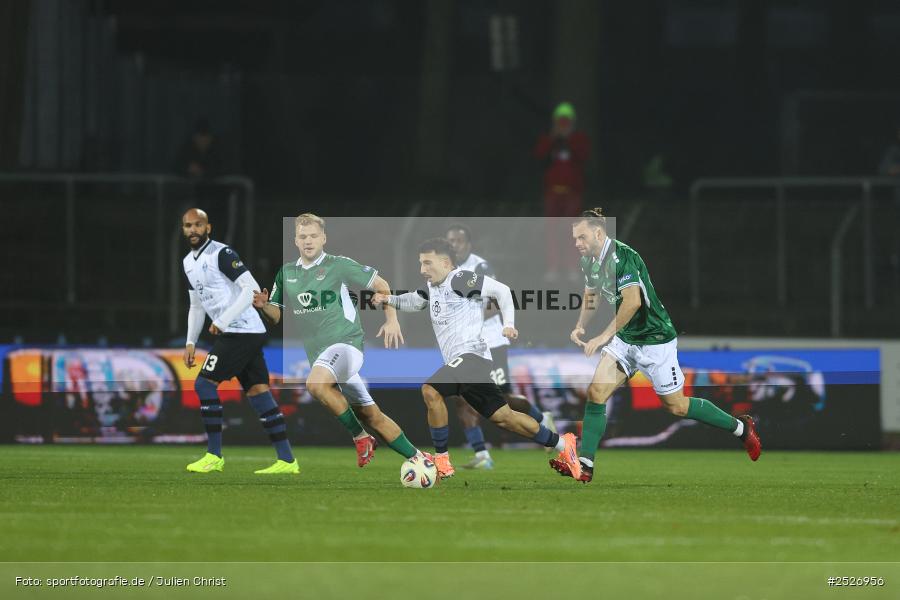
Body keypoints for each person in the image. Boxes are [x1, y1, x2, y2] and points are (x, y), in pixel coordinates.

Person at [549, 208, 762, 483]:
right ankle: (585, 464)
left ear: (598, 233)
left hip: (654, 340)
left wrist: (602, 336)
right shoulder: (589, 262)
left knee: (676, 406)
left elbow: (633, 301)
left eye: (581, 237)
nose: (576, 243)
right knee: (596, 392)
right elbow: (592, 293)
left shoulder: (622, 257)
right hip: (626, 340)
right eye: (574, 238)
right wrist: (580, 325)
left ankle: (741, 429)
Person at [372, 238, 580, 480]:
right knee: (505, 418)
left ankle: (441, 460)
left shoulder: (459, 279)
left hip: (471, 356)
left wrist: (509, 325)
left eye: (427, 263)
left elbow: (501, 291)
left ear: (445, 262)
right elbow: (416, 301)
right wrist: (390, 300)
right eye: (421, 264)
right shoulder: (434, 287)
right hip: (469, 364)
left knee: (430, 390)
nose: (422, 270)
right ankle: (563, 446)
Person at [254, 213, 429, 468]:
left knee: (315, 384)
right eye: (303, 236)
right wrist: (263, 306)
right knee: (371, 414)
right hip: (322, 355)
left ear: (324, 238)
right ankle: (420, 458)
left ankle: (360, 438)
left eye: (314, 236)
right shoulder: (287, 273)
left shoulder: (339, 265)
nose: (308, 241)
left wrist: (391, 319)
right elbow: (276, 316)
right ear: (295, 241)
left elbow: (381, 285)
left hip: (346, 344)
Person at [181, 208, 298, 474]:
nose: (192, 230)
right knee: (258, 392)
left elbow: (251, 288)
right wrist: (190, 342)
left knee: (203, 384)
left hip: (241, 330)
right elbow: (196, 305)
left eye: (198, 225)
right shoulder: (188, 262)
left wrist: (223, 320)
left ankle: (214, 455)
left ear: (208, 227)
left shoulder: (222, 254)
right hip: (242, 331)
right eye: (188, 226)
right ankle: (288, 461)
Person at [445, 223, 556, 470]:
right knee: (461, 397)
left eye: (458, 240)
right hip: (465, 346)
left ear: (468, 244)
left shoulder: (480, 267)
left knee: (501, 400)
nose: (453, 244)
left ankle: (541, 418)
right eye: (450, 240)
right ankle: (482, 455)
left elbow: (496, 300)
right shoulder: (447, 270)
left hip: (491, 342)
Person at [534, 102, 590, 280]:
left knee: (572, 231)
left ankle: (572, 268)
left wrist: (569, 139)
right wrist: (553, 139)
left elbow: (584, 156)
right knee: (552, 231)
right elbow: (538, 156)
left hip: (572, 193)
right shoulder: (549, 140)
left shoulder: (579, 139)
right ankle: (553, 267)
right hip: (552, 193)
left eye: (566, 122)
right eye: (560, 122)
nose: (563, 126)